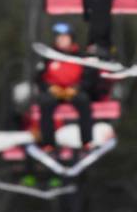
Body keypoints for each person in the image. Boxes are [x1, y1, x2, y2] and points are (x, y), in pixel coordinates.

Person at [34, 21, 94, 153]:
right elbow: (39, 78)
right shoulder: (48, 56)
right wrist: (50, 88)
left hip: (73, 91)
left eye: (64, 37)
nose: (61, 40)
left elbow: (88, 78)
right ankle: (48, 143)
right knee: (46, 103)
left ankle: (87, 141)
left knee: (84, 102)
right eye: (59, 37)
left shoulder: (81, 57)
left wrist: (77, 88)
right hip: (54, 91)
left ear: (71, 38)